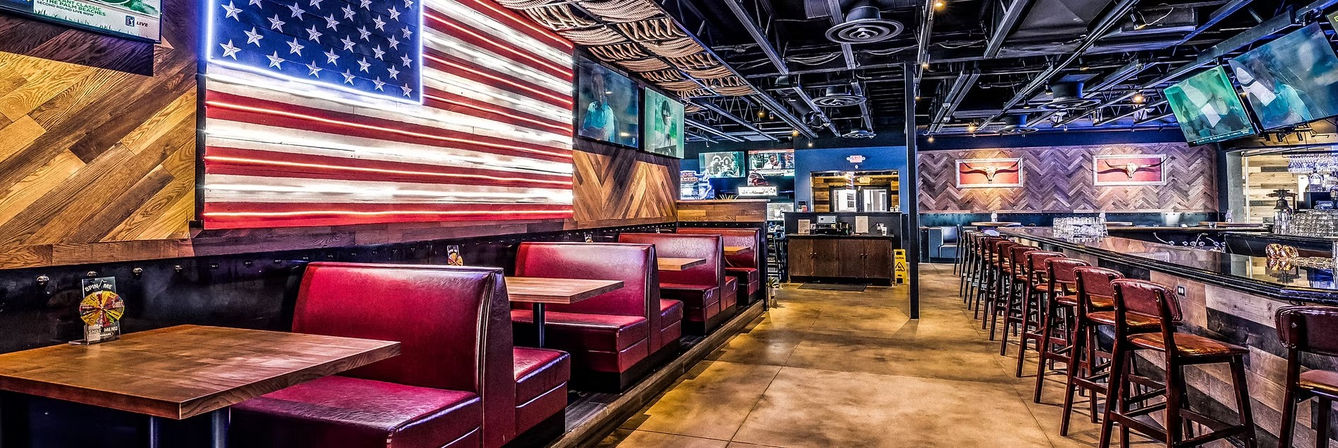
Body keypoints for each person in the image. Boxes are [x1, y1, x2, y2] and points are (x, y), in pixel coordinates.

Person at [579, 73, 617, 141]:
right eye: (594, 85)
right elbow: (584, 129)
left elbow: (604, 135)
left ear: (604, 89)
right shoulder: (591, 106)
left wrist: (592, 130)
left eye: (599, 85)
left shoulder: (609, 111)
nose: (596, 89)